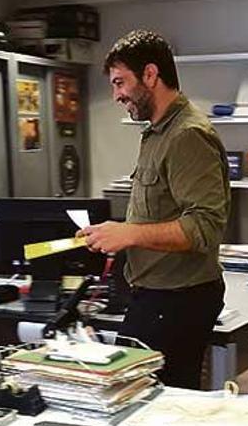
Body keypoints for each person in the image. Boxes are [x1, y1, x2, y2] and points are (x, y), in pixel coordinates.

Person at [78, 30, 231, 389]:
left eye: (120, 83)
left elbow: (203, 228)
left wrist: (128, 233)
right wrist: (112, 233)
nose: (115, 95)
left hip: (177, 299)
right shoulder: (158, 132)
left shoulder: (187, 135)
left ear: (150, 75)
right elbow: (159, 212)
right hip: (157, 294)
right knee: (140, 400)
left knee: (140, 400)